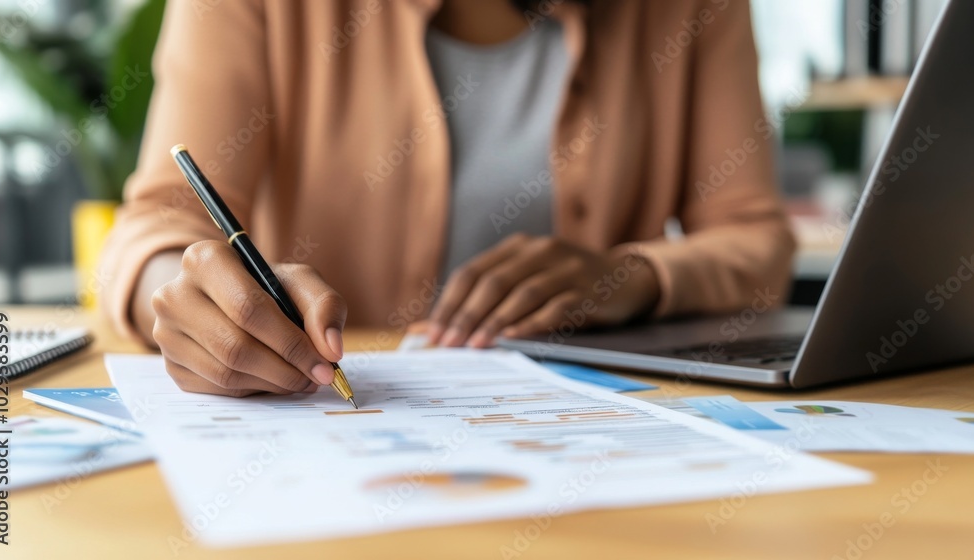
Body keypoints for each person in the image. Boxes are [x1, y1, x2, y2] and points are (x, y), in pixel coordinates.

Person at [100, 0, 796, 397]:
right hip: (332, 427)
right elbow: (160, 224)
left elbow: (755, 240)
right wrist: (198, 298)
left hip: (596, 428)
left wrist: (635, 277)